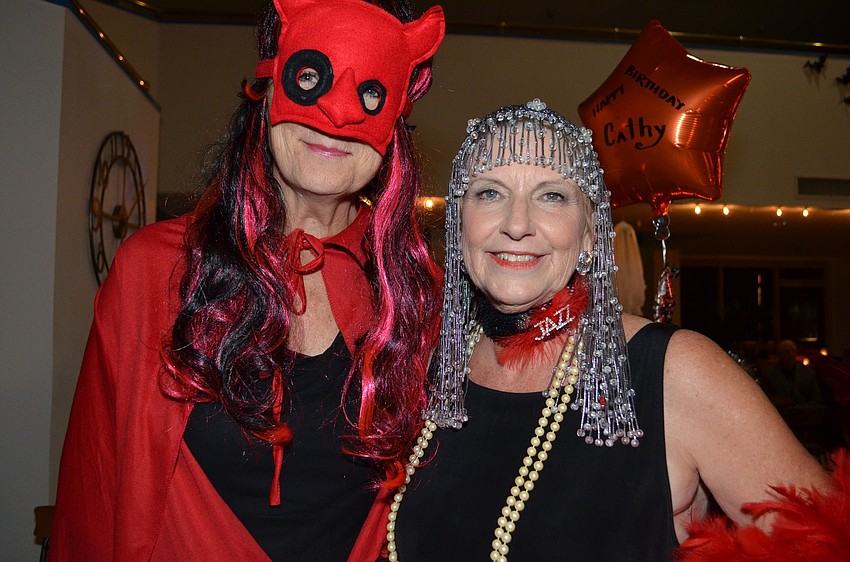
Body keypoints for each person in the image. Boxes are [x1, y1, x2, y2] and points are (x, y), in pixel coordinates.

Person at [50, 0, 444, 560]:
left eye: (370, 94)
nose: (335, 116)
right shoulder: (156, 269)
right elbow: (92, 491)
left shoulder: (412, 293)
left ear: (394, 125)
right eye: (311, 78)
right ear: (268, 86)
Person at [381, 100, 834, 561]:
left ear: (590, 235)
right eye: (489, 193)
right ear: (458, 225)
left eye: (552, 195)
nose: (516, 225)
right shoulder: (417, 362)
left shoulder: (675, 371)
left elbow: (826, 541)